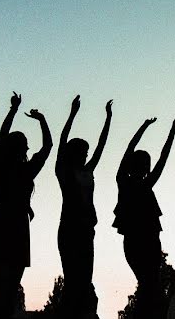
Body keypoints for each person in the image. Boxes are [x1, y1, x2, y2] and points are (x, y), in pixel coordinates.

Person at [0, 92, 52, 319]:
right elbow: (47, 147)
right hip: (13, 225)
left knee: (2, 284)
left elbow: (3, 137)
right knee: (5, 285)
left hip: (4, 223)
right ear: (20, 149)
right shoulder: (21, 170)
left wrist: (14, 110)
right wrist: (41, 120)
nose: (28, 151)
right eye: (25, 147)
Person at [114, 116, 175, 318]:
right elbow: (133, 149)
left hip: (148, 241)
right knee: (148, 285)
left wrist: (170, 132)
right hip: (140, 242)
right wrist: (145, 127)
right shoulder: (128, 182)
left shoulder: (137, 184)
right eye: (145, 164)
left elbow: (161, 158)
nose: (147, 167)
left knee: (150, 286)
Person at [56, 95, 112, 317]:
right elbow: (62, 142)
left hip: (87, 229)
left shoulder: (88, 171)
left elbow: (101, 146)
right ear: (75, 153)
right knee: (73, 281)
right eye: (83, 151)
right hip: (70, 229)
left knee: (85, 279)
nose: (87, 154)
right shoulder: (64, 171)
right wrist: (72, 113)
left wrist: (108, 118)